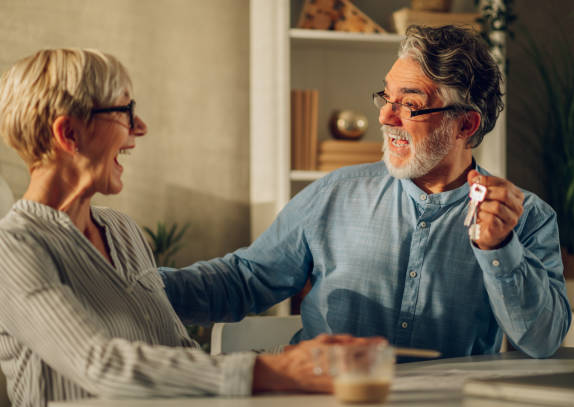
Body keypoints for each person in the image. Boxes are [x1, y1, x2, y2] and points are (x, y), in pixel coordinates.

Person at [160, 25, 571, 359]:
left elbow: (543, 340)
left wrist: (498, 249)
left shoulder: (527, 219)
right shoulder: (336, 193)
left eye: (408, 104)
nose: (385, 116)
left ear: (465, 125)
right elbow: (243, 280)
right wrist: (134, 285)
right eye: (385, 97)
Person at [0, 48, 369, 407]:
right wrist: (280, 369)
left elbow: (174, 352)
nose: (139, 127)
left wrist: (304, 358)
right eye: (124, 111)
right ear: (70, 134)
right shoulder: (12, 248)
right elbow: (100, 364)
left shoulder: (121, 230)